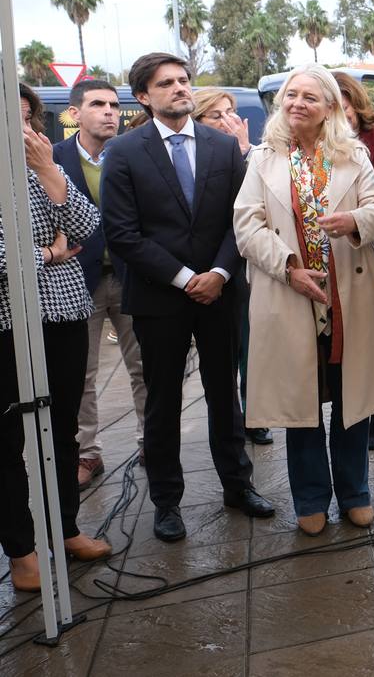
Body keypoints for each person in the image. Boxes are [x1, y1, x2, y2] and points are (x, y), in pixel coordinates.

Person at [101, 52, 274, 543]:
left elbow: (241, 218)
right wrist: (184, 278)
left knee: (226, 397)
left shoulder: (222, 148)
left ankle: (238, 487)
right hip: (159, 299)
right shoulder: (125, 152)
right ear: (143, 96)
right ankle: (167, 503)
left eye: (184, 81)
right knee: (162, 404)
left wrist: (219, 272)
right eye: (167, 83)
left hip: (220, 294)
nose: (180, 89)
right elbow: (122, 233)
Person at [234, 65, 374, 536]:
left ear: (330, 106)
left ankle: (355, 494)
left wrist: (355, 222)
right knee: (299, 403)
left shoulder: (352, 154)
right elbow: (246, 226)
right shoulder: (264, 158)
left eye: (310, 97)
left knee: (353, 399)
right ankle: (310, 499)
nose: (297, 104)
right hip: (289, 293)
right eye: (291, 96)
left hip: (348, 295)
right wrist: (289, 267)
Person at [2, 83, 111, 592]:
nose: (22, 129)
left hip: (62, 313)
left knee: (60, 429)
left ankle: (65, 529)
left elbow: (88, 226)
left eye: (28, 118)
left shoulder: (43, 170)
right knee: (7, 440)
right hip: (6, 322)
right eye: (11, 117)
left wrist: (49, 172)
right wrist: (47, 254)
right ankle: (22, 550)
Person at [53, 79, 147, 485]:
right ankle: (87, 454)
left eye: (113, 104)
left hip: (133, 277)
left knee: (146, 368)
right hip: (77, 280)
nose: (110, 111)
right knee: (81, 375)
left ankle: (152, 443)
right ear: (74, 114)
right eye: (97, 104)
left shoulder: (134, 155)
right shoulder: (52, 159)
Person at [192, 90, 270, 446]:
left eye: (231, 113)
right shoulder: (191, 157)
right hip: (197, 270)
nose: (228, 122)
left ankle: (253, 414)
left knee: (248, 346)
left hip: (244, 266)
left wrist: (242, 150)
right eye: (216, 116)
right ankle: (228, 423)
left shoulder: (252, 154)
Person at [333, 71, 374, 451]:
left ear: (356, 106)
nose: (340, 118)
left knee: (370, 336)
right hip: (332, 253)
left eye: (345, 108)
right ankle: (351, 412)